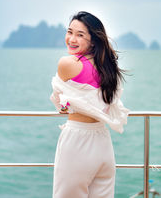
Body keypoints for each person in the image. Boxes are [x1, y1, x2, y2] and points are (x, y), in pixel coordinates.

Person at [50, 11, 130, 198]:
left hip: (77, 140)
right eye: (70, 32)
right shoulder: (108, 67)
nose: (71, 39)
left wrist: (66, 105)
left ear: (93, 40)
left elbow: (63, 107)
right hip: (103, 141)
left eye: (80, 35)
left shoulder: (67, 63)